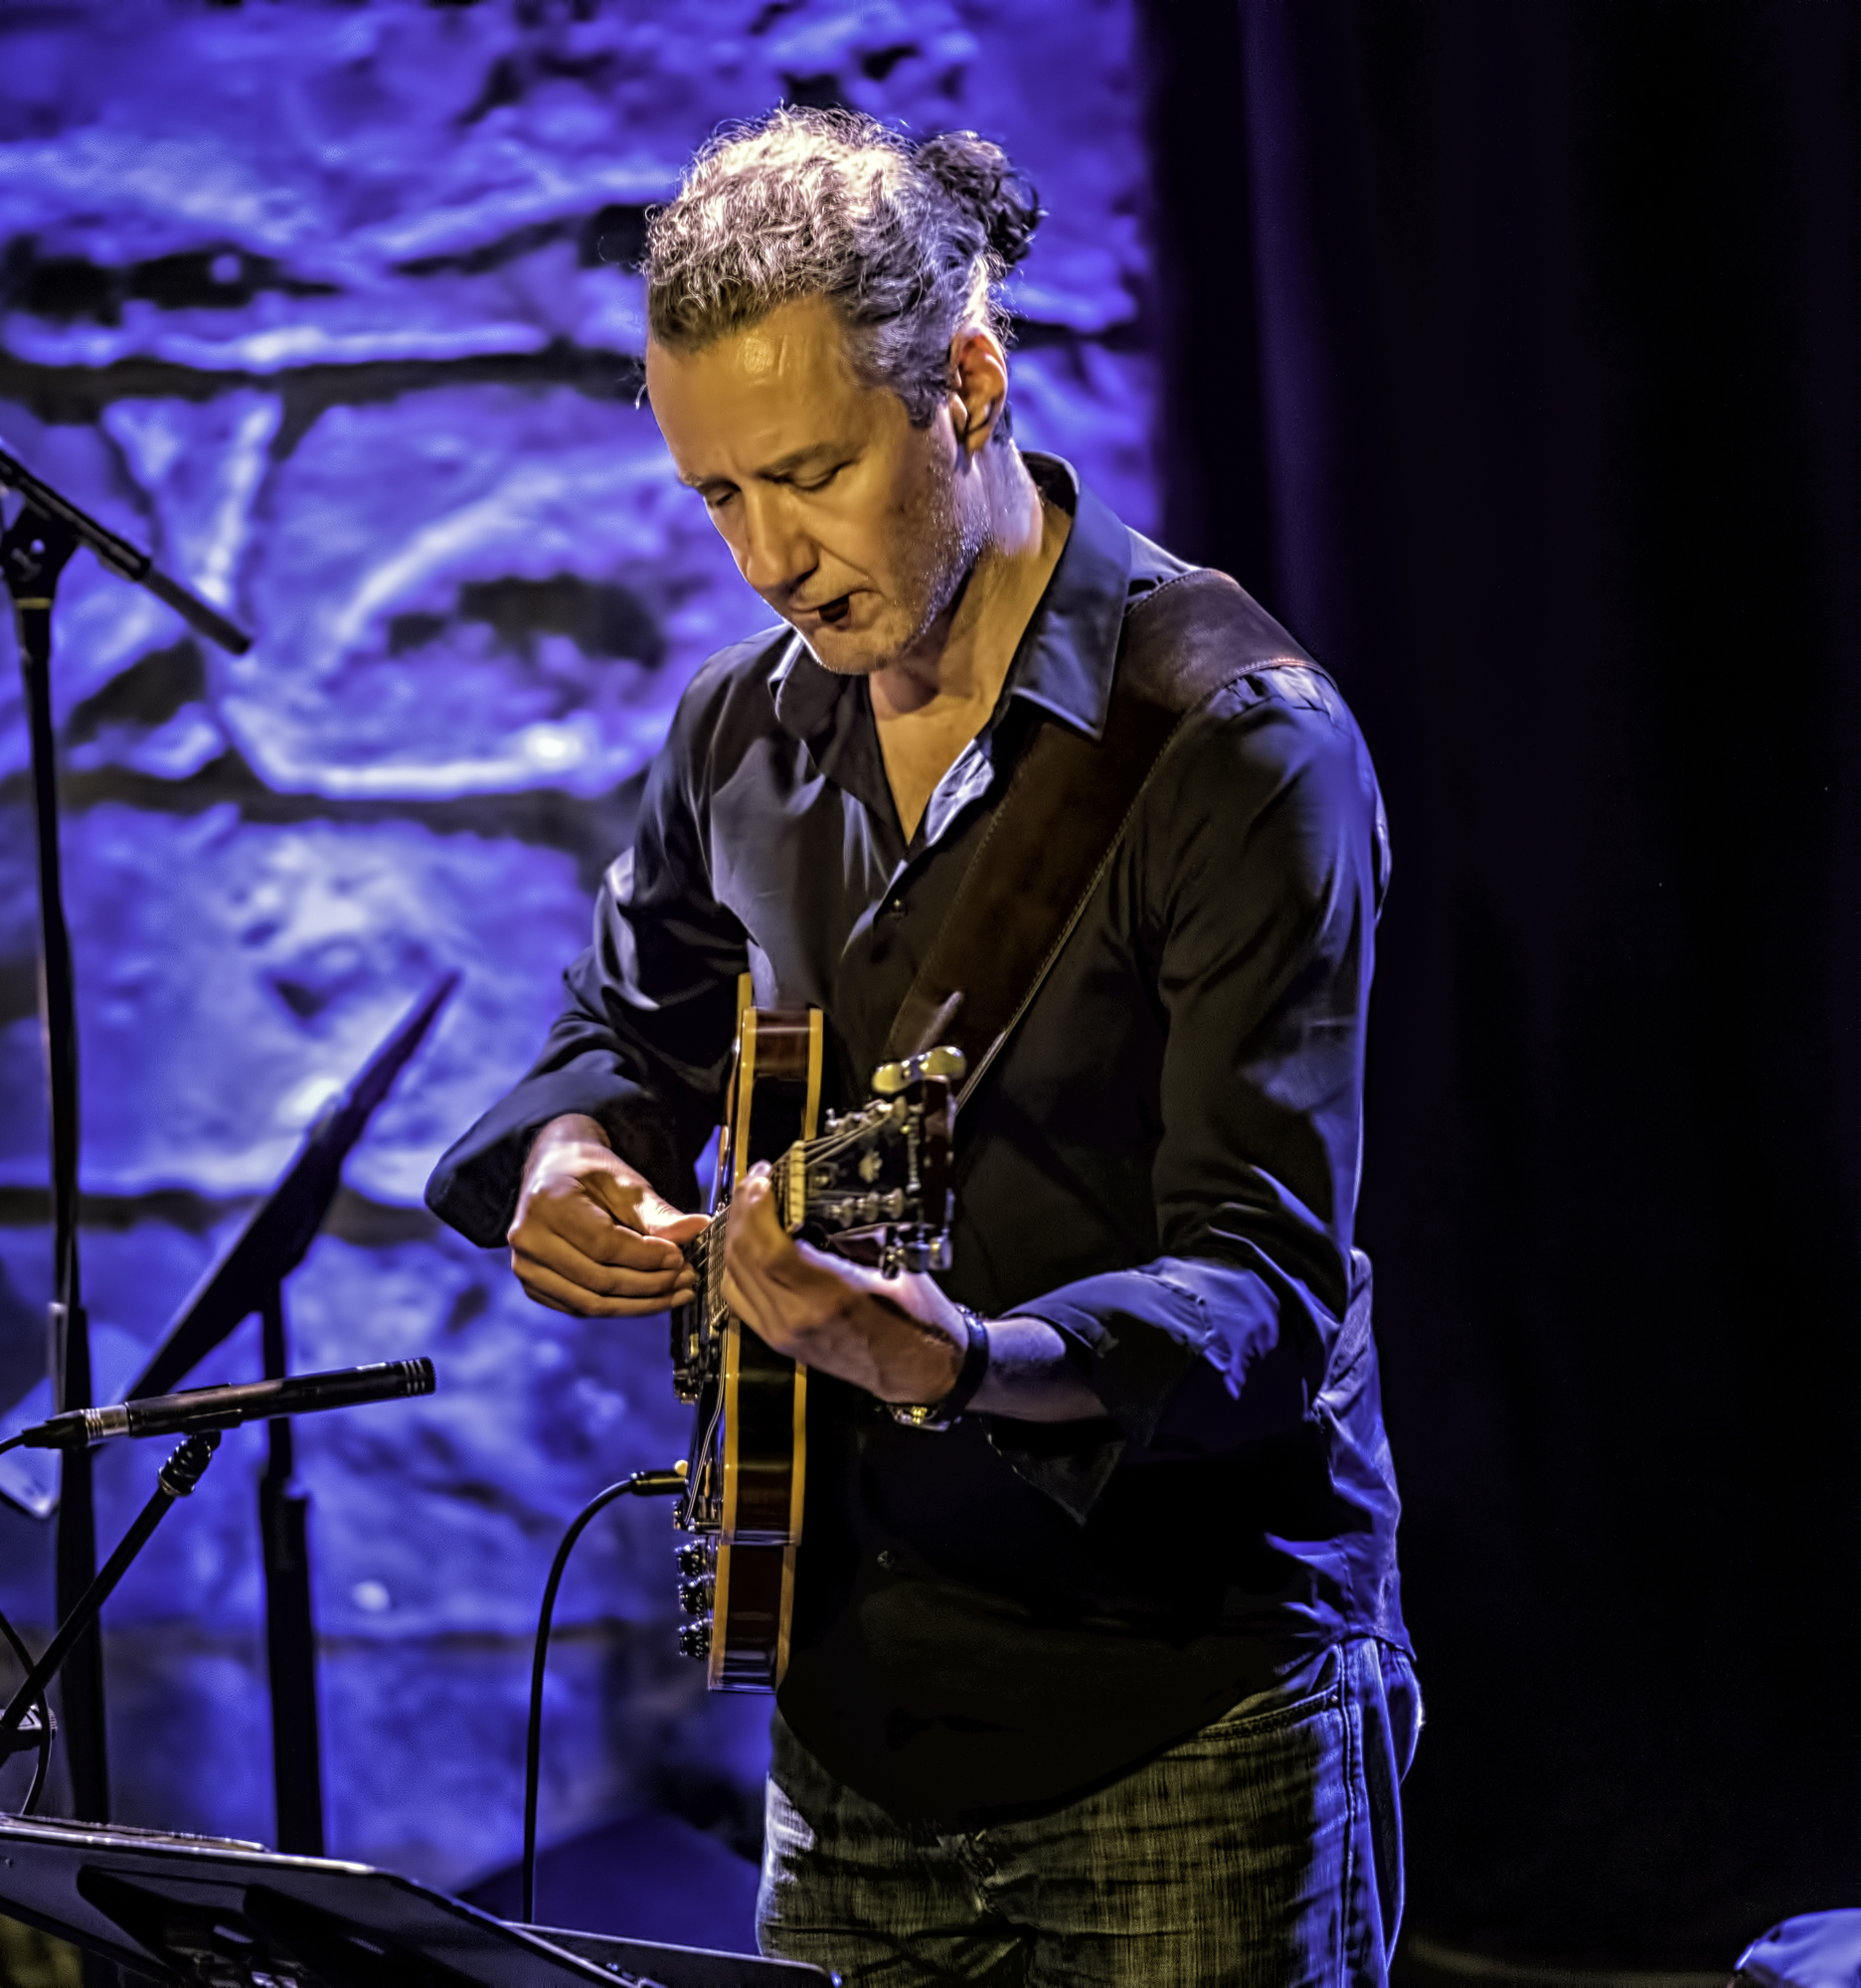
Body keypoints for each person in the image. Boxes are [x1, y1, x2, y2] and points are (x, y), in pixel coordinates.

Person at [425, 106, 1419, 1986]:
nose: (767, 560)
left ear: (968, 386)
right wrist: (564, 1167)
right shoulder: (739, 735)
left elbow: (1267, 1288)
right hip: (849, 1726)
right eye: (718, 496)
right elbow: (615, 1038)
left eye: (808, 472)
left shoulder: (1240, 746)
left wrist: (968, 1362)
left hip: (1182, 1720)